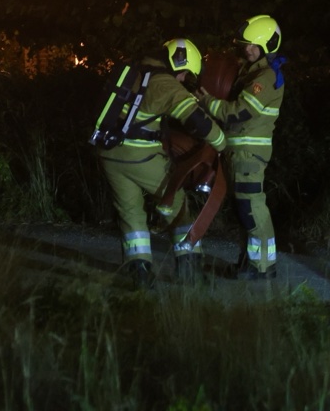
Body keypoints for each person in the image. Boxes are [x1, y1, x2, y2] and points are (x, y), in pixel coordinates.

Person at [90, 37, 227, 287]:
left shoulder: (134, 70)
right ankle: (191, 271)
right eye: (185, 73)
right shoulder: (165, 84)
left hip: (108, 152)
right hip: (139, 156)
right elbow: (197, 120)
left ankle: (139, 273)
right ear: (178, 63)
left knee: (130, 213)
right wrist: (221, 143)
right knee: (179, 206)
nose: (184, 79)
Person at [201, 15, 286, 279]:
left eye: (253, 45)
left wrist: (208, 103)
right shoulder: (253, 72)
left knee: (251, 209)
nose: (247, 49)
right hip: (239, 152)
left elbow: (240, 112)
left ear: (267, 45)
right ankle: (254, 262)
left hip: (249, 154)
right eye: (246, 44)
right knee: (245, 211)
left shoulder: (267, 76)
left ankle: (261, 267)